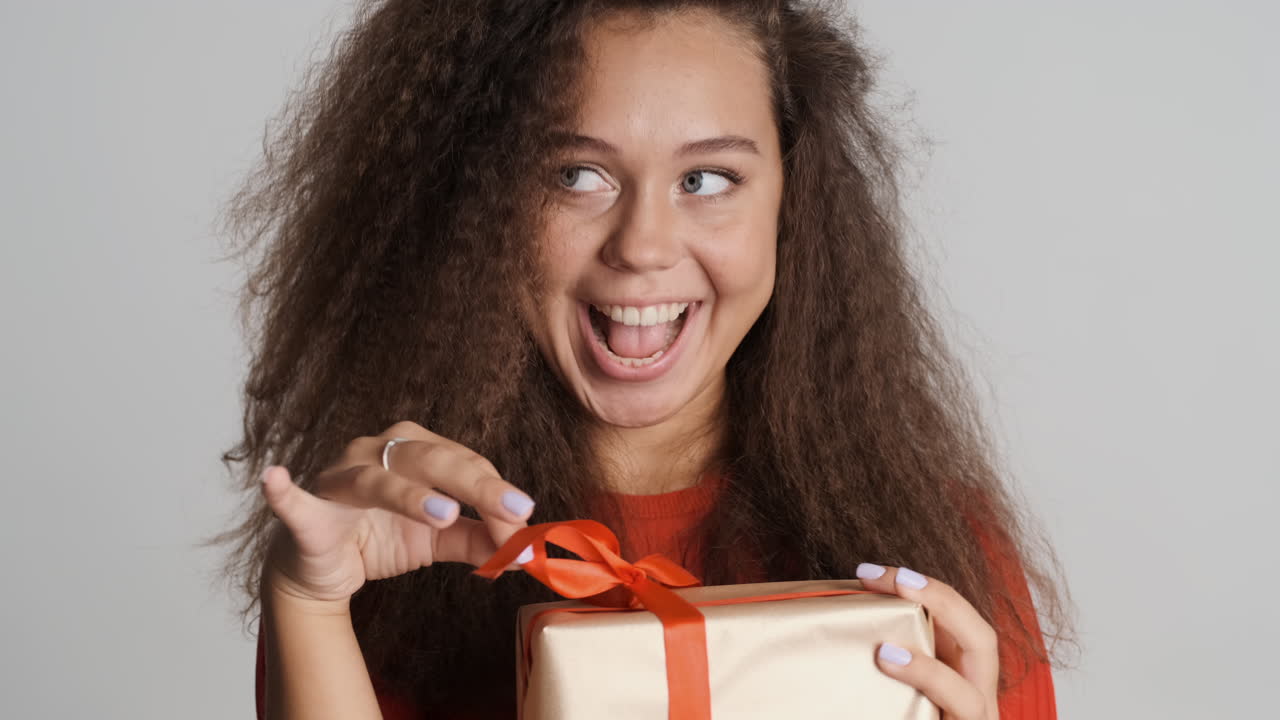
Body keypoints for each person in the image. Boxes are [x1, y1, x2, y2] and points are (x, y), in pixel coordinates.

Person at [212, 1, 1075, 718]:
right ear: (477, 204)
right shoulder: (377, 554)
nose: (644, 247)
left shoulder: (942, 562)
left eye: (707, 180)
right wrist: (311, 603)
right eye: (576, 176)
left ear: (791, 204)